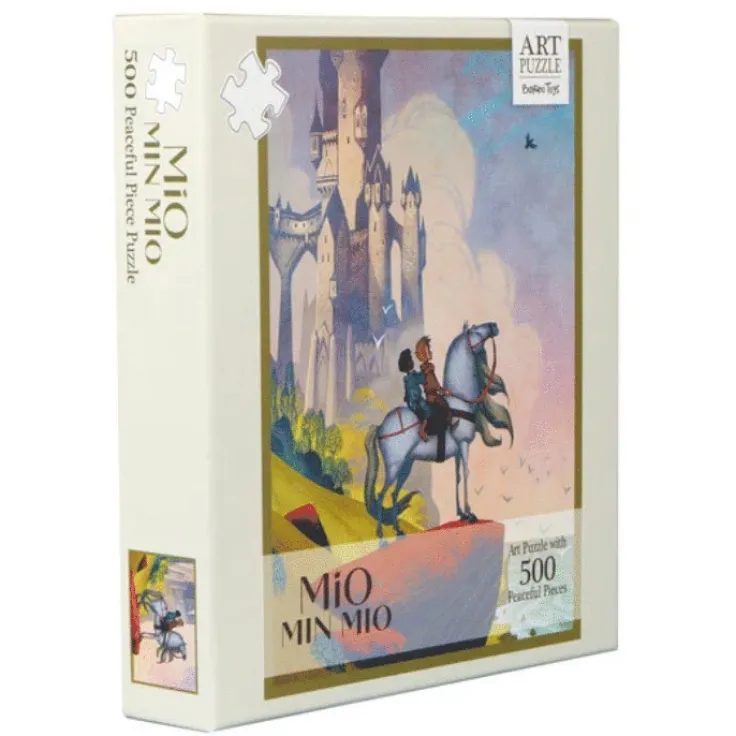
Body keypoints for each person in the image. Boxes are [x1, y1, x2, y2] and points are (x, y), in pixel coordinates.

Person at [415, 336, 455, 435]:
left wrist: (442, 390)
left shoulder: (429, 367)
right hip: (432, 397)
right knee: (445, 407)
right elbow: (432, 385)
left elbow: (436, 384)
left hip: (434, 394)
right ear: (424, 355)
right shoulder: (427, 370)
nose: (431, 352)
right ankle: (447, 426)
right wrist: (443, 391)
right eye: (428, 351)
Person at [398, 348, 431, 441]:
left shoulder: (407, 378)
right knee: (428, 411)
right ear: (409, 364)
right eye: (411, 360)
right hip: (416, 402)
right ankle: (422, 430)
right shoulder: (413, 376)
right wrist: (426, 370)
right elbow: (423, 379)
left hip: (411, 402)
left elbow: (407, 394)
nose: (413, 362)